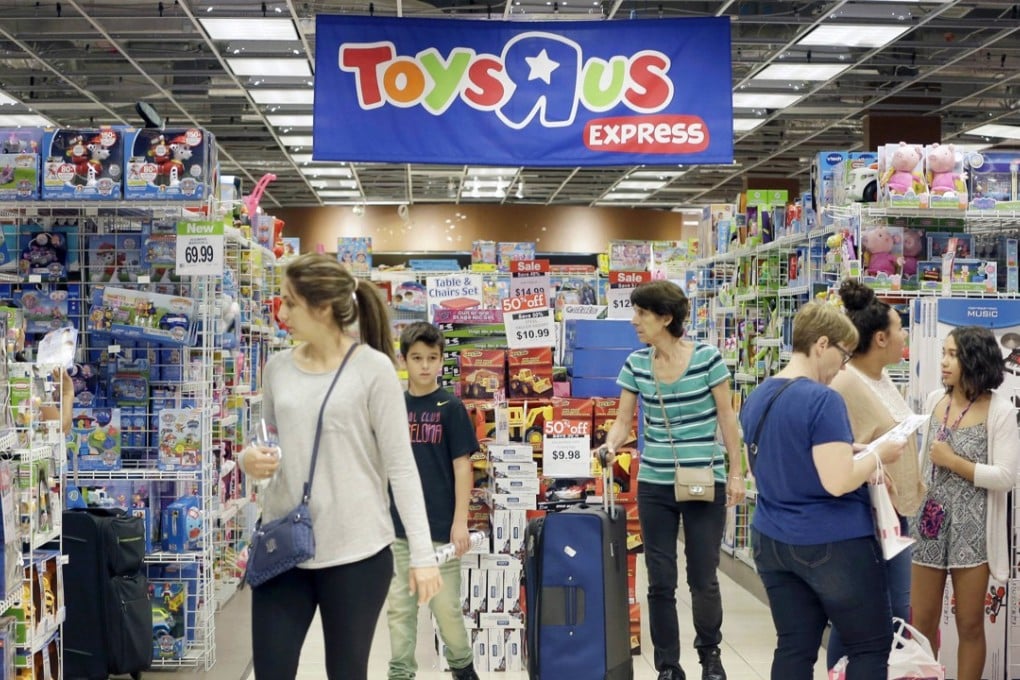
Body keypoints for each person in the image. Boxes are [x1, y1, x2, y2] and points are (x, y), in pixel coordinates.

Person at [240, 253, 441, 680]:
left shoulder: (375, 370)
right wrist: (248, 459)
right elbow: (268, 440)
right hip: (284, 547)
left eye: (291, 302)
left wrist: (423, 555)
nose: (282, 312)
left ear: (323, 308)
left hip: (357, 554)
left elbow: (402, 467)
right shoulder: (277, 369)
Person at [738, 302, 904, 680]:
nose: (842, 367)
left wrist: (851, 451)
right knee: (869, 646)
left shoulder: (760, 395)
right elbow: (838, 481)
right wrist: (878, 454)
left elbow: (767, 465)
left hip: (771, 540)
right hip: (833, 543)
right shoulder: (822, 399)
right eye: (843, 355)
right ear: (822, 344)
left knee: (794, 646)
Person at [604, 280, 744, 680]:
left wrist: (735, 473)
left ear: (666, 318)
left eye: (642, 314)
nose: (635, 321)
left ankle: (710, 656)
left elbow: (727, 419)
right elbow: (622, 422)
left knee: (703, 575)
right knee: (660, 580)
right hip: (654, 484)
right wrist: (611, 445)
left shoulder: (707, 359)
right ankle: (668, 666)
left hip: (704, 478)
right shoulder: (636, 365)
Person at [910, 326, 1019, 680]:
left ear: (974, 358)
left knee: (970, 624)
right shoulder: (933, 401)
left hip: (974, 531)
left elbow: (1006, 476)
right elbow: (926, 460)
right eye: (943, 352)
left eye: (952, 354)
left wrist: (954, 461)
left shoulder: (999, 411)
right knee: (921, 621)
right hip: (929, 525)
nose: (943, 362)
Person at [826, 279, 924, 668]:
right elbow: (837, 451)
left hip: (892, 514)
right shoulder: (846, 383)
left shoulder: (882, 379)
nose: (905, 337)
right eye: (901, 328)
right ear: (881, 338)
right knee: (863, 614)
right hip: (865, 516)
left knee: (894, 610)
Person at [386, 321, 480, 680]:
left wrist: (460, 521)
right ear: (404, 360)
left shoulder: (450, 406)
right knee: (400, 609)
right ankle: (400, 673)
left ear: (442, 360)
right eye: (417, 358)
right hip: (398, 531)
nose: (425, 366)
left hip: (442, 528)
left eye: (432, 358)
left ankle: (462, 667)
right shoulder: (393, 404)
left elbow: (463, 468)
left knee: (447, 610)